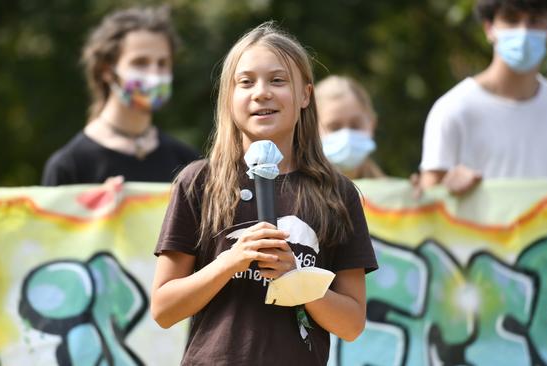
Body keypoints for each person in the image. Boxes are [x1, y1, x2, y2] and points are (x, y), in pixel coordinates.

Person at [151, 22, 378, 365]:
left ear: (305, 95)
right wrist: (231, 261)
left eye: (277, 80)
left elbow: (351, 324)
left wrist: (297, 278)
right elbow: (164, 309)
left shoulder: (336, 194)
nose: (261, 92)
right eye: (246, 82)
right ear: (229, 97)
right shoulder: (198, 183)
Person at [41, 6, 199, 186]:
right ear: (107, 71)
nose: (154, 73)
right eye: (140, 62)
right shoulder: (69, 166)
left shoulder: (188, 163)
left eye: (162, 63)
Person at [418, 0, 547, 195]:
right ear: (489, 28)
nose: (523, 32)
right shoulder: (453, 109)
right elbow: (425, 203)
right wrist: (446, 188)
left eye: (534, 20)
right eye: (511, 19)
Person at [315, 75, 385, 179]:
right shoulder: (296, 193)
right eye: (334, 127)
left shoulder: (395, 193)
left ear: (372, 124)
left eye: (355, 125)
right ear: (312, 129)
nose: (346, 134)